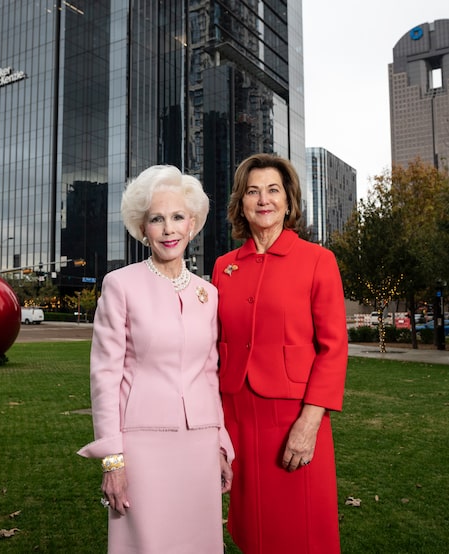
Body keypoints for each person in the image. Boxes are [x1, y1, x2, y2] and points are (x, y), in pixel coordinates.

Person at [78, 165, 234, 554]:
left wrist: (220, 444)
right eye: (157, 219)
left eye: (178, 217)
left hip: (199, 444)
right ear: (142, 227)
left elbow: (210, 374)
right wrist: (113, 460)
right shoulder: (121, 285)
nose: (169, 229)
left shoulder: (208, 294)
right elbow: (104, 376)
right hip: (141, 446)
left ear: (193, 224)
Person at [212, 153, 348, 553]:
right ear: (241, 202)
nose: (263, 199)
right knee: (253, 531)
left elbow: (334, 348)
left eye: (273, 190)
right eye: (253, 191)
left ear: (288, 201)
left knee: (301, 531)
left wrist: (310, 423)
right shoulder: (223, 267)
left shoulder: (318, 261)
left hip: (294, 420)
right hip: (236, 416)